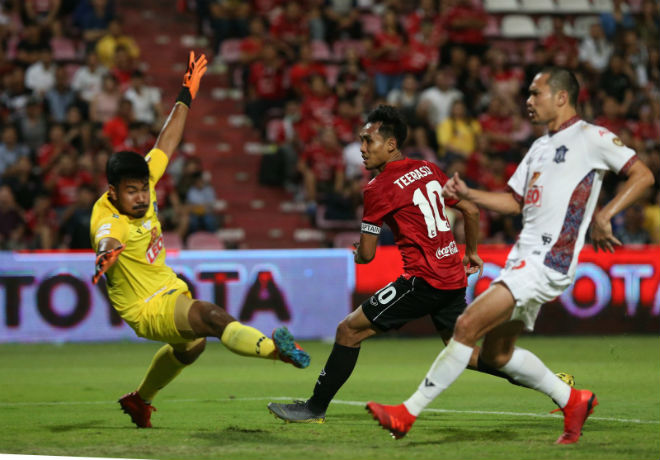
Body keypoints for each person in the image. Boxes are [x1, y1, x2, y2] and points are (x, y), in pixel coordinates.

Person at [365, 68, 655, 444]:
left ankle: (406, 413)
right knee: (498, 355)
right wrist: (468, 194)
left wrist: (604, 215)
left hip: (548, 259)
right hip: (525, 257)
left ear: (562, 98)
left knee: (467, 327)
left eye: (536, 94)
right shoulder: (539, 148)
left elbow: (643, 175)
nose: (528, 101)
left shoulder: (592, 137)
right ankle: (573, 400)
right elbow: (512, 201)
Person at [89, 51, 310, 429]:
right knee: (209, 316)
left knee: (191, 347)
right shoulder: (110, 218)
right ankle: (279, 352)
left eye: (144, 189)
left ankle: (140, 400)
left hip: (167, 288)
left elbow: (166, 142)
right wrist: (106, 255)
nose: (142, 197)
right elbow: (106, 240)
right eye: (132, 192)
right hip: (145, 309)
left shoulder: (143, 181)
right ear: (113, 192)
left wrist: (185, 94)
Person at [267, 105, 520, 424]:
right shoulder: (429, 168)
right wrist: (471, 252)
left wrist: (358, 252)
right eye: (360, 140)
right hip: (453, 277)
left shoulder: (378, 188)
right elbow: (470, 211)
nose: (361, 148)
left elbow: (368, 255)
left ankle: (315, 406)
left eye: (368, 141)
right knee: (466, 354)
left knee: (348, 331)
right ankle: (551, 383)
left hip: (422, 280)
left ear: (390, 144)